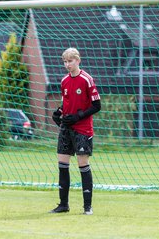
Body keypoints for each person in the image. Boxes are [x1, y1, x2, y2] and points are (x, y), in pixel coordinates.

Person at [50, 47, 101, 215]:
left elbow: (96, 106)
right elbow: (67, 102)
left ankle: (87, 207)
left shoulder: (87, 79)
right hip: (67, 127)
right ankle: (63, 204)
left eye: (70, 61)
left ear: (78, 61)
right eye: (65, 62)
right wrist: (59, 112)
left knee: (82, 165)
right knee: (62, 164)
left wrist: (78, 116)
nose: (67, 65)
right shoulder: (64, 80)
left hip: (83, 128)